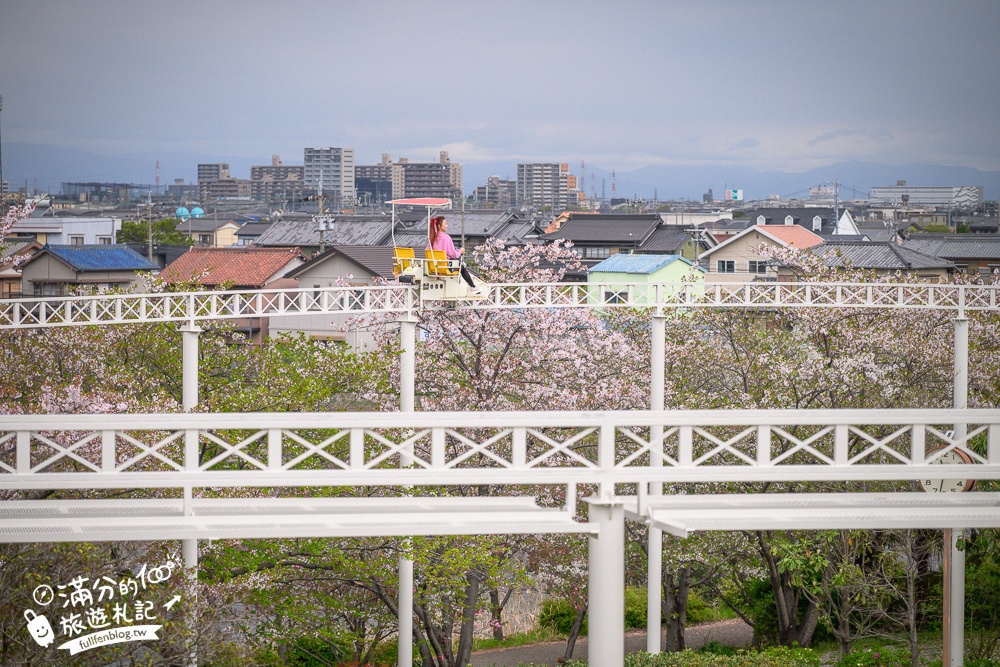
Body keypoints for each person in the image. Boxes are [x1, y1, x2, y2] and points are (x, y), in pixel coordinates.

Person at [427, 215, 480, 290]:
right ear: (439, 226)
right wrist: (460, 251)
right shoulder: (446, 238)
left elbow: (428, 251)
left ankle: (472, 286)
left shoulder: (432, 238)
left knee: (459, 263)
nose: (447, 226)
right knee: (460, 266)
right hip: (445, 266)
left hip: (434, 267)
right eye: (445, 224)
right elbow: (452, 254)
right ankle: (472, 286)